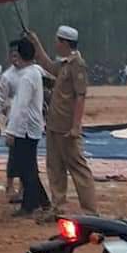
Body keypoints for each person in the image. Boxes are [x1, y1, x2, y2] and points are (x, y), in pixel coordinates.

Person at [27, 25, 97, 219]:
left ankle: (91, 211)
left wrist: (76, 126)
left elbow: (81, 96)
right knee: (55, 168)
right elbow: (48, 65)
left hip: (67, 128)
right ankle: (59, 207)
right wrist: (35, 42)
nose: (55, 44)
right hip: (54, 126)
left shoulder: (77, 64)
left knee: (78, 168)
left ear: (65, 42)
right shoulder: (64, 64)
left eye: (58, 41)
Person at [6, 38, 50, 217]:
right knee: (29, 166)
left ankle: (29, 206)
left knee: (25, 168)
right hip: (33, 127)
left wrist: (11, 131)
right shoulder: (35, 72)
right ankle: (43, 201)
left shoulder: (25, 77)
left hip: (24, 128)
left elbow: (20, 107)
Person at [0, 40, 23, 202]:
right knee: (14, 155)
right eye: (12, 55)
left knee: (27, 157)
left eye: (18, 54)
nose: (15, 58)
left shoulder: (32, 72)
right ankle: (10, 185)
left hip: (30, 122)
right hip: (12, 121)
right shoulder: (7, 76)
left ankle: (24, 188)